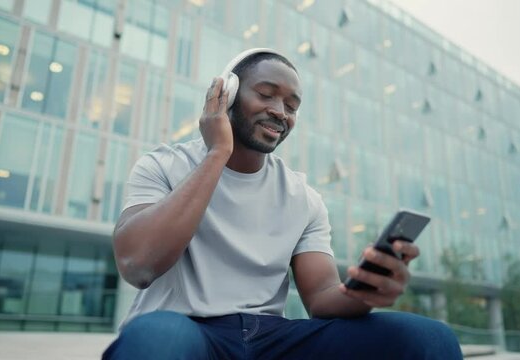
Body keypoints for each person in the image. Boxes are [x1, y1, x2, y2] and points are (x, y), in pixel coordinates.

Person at [103, 48, 462, 359]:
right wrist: (218, 153)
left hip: (271, 339)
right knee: (156, 337)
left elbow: (321, 298)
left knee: (429, 338)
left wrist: (366, 291)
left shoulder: (302, 197)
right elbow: (139, 265)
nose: (281, 112)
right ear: (226, 95)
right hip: (187, 333)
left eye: (292, 106)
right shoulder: (163, 165)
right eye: (266, 95)